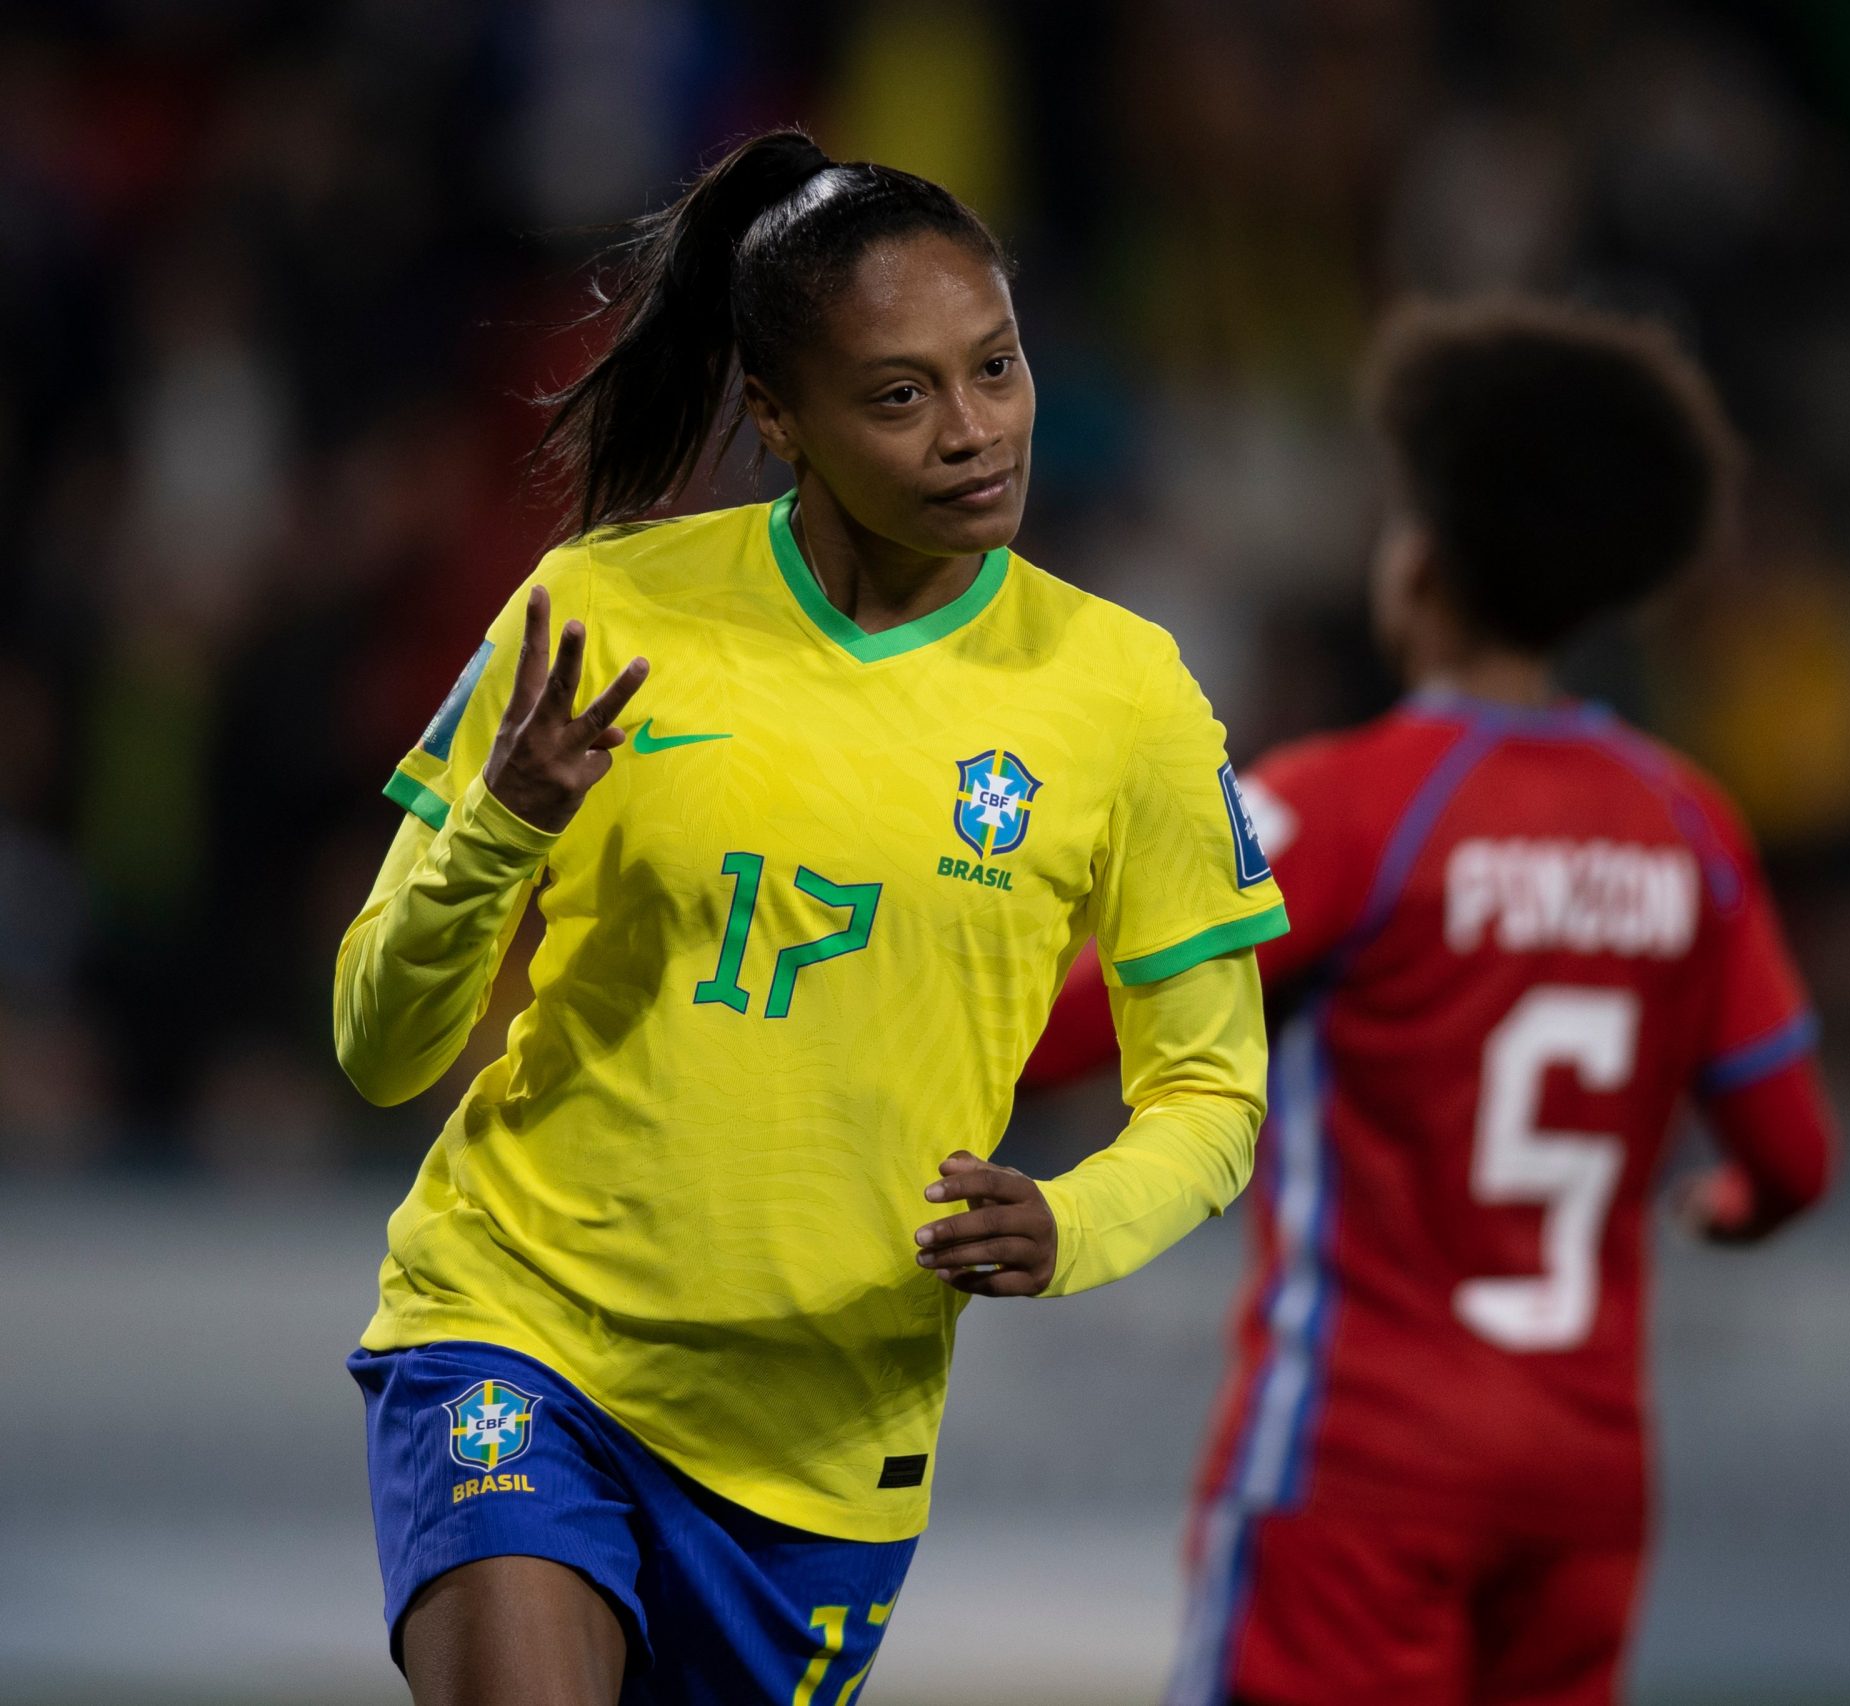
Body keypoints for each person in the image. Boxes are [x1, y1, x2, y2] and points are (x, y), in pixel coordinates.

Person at [334, 129, 1288, 1706]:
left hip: (819, 1451)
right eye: (902, 394)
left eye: (997, 366)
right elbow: (378, 1046)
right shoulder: (599, 613)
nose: (975, 431)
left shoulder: (1125, 696)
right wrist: (499, 829)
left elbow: (1212, 1095)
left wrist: (1070, 1224)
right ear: (775, 417)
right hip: (519, 1331)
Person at [1023, 299, 1838, 1706]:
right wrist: (1728, 1210)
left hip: (1361, 1466)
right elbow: (1793, 1156)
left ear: (1425, 567)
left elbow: (1068, 1033)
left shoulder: (1351, 807)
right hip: (1584, 1484)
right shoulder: (1687, 826)